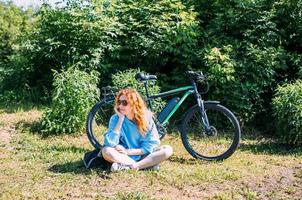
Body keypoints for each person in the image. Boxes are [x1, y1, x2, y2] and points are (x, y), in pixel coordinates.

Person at [101, 88, 173, 172]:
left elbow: (150, 145)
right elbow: (109, 143)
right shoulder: (115, 119)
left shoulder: (146, 118)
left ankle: (131, 166)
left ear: (134, 104)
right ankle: (145, 165)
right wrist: (120, 119)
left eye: (124, 103)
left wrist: (128, 151)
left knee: (167, 150)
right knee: (106, 151)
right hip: (123, 156)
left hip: (142, 154)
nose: (120, 106)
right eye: (119, 102)